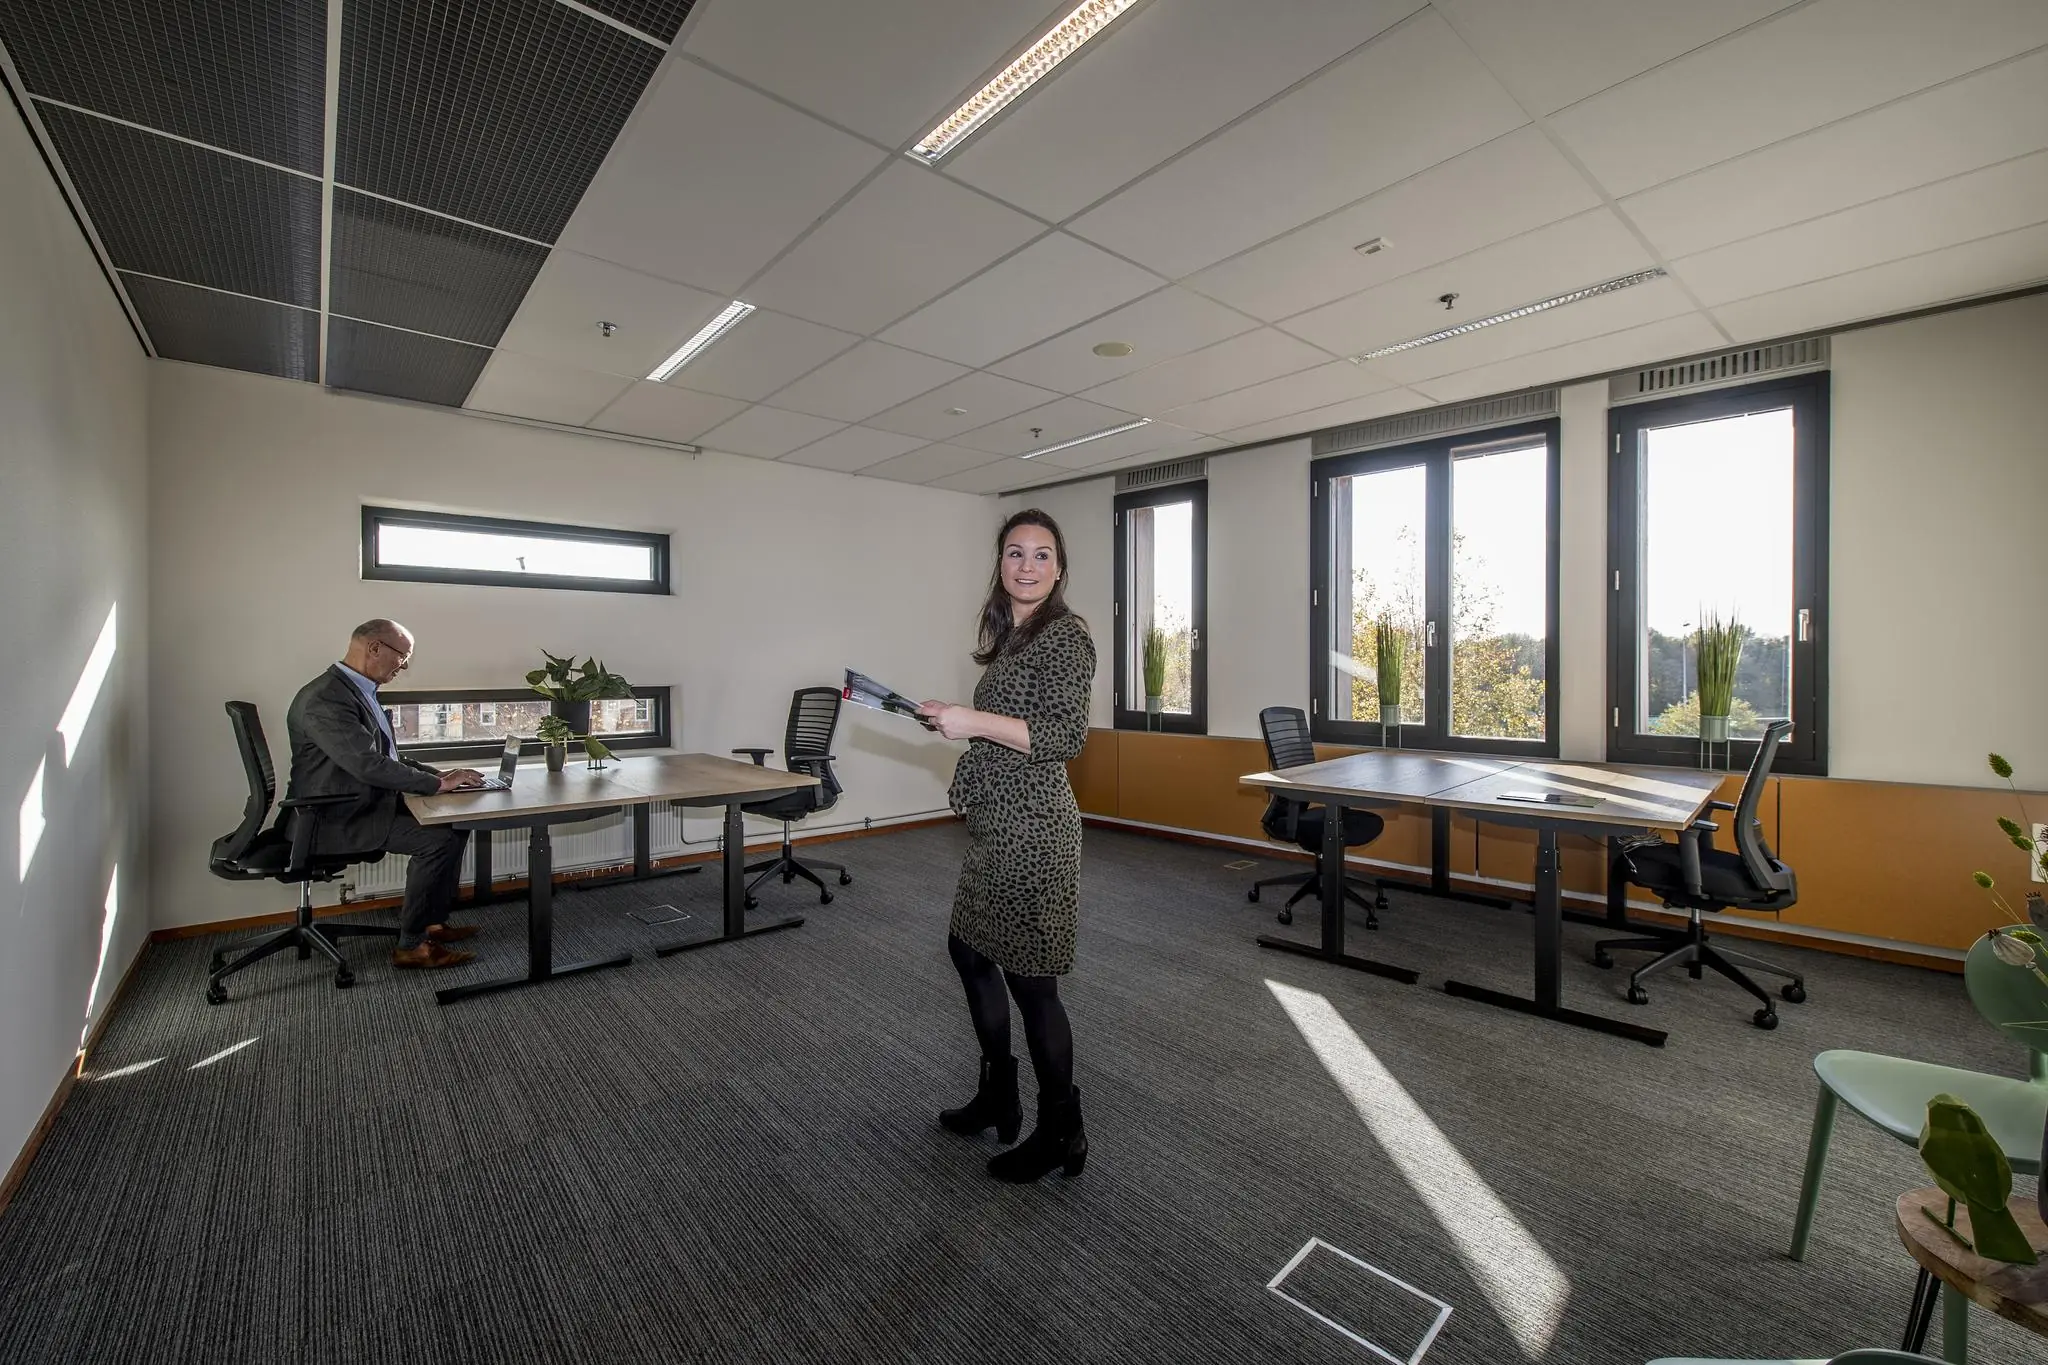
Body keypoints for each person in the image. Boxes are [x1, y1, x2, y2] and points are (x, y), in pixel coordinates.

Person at [918, 509, 1096, 1184]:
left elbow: (1062, 735)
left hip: (1037, 831)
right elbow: (1003, 731)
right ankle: (999, 1093)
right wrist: (957, 726)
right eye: (1015, 552)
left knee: (1032, 982)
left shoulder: (1065, 638)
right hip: (998, 825)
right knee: (968, 948)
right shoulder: (1013, 635)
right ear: (1000, 564)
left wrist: (971, 719)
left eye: (1041, 554)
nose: (1027, 565)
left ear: (1059, 568)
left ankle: (1062, 1129)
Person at [285, 619, 485, 970]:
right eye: (402, 656)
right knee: (435, 840)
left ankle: (431, 925)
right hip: (333, 817)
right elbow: (367, 765)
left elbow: (386, 755)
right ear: (374, 647)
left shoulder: (355, 691)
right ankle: (412, 946)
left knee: (455, 822)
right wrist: (438, 786)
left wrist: (438, 775)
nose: (403, 666)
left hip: (358, 803)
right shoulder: (326, 699)